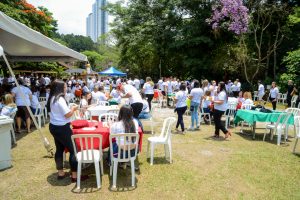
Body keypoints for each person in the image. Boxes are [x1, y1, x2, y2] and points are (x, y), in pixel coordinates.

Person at [47, 80, 88, 182]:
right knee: (74, 150)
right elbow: (67, 115)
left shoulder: (52, 98)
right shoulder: (59, 99)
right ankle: (75, 176)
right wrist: (73, 109)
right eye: (65, 87)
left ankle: (61, 173)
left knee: (59, 149)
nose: (66, 89)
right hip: (62, 127)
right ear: (60, 88)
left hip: (54, 126)